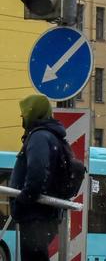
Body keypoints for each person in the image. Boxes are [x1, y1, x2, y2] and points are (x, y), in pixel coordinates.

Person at [9, 95, 67, 261]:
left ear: (34, 113)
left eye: (24, 115)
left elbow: (37, 173)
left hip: (35, 215)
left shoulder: (39, 136)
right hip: (42, 214)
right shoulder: (50, 135)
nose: (22, 119)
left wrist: (22, 200)